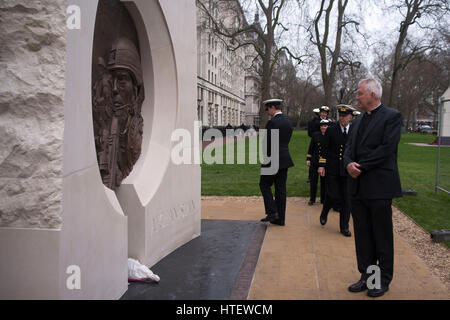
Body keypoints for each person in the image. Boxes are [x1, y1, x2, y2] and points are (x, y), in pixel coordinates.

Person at [344, 78, 402, 298]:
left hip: (379, 186)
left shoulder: (392, 117)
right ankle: (367, 276)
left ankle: (381, 280)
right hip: (357, 186)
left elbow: (387, 148)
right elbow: (348, 146)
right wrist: (347, 163)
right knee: (363, 235)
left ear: (373, 95)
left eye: (360, 94)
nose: (357, 97)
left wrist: (360, 166)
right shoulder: (358, 120)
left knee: (381, 236)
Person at [318, 105, 354, 237]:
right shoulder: (331, 130)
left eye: (345, 116)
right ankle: (325, 211)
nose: (342, 118)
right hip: (332, 168)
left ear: (350, 117)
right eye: (341, 116)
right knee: (333, 195)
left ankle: (344, 226)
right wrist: (321, 165)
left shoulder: (355, 131)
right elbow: (324, 148)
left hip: (347, 169)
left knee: (346, 199)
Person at [260, 99, 294, 226]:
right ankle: (280, 218)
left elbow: (267, 143)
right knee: (281, 189)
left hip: (272, 159)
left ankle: (272, 212)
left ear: (273, 107)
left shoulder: (272, 123)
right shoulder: (288, 122)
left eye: (268, 109)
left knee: (264, 184)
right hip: (284, 158)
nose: (268, 112)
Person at [306, 119, 329, 205]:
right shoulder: (315, 135)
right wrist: (308, 159)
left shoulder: (330, 135)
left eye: (325, 126)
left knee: (324, 182)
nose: (323, 127)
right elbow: (311, 148)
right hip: (315, 161)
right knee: (313, 181)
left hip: (325, 162)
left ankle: (323, 199)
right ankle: (312, 199)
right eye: (322, 126)